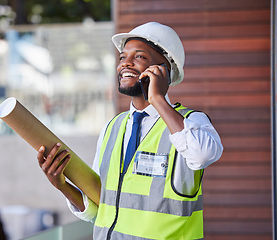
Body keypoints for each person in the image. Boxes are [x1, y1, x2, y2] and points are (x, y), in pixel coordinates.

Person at [37, 22, 223, 240]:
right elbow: (100, 209)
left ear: (165, 70)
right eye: (123, 57)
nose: (125, 64)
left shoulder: (190, 122)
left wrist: (157, 99)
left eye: (139, 57)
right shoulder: (112, 128)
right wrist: (62, 186)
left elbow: (203, 154)